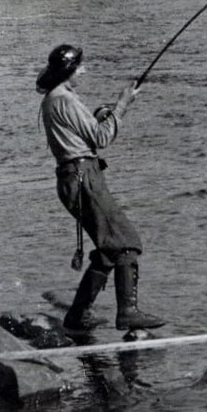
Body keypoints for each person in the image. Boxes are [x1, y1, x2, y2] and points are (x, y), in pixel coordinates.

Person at [37, 43, 166, 335]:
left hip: (75, 179)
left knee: (109, 250)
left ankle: (78, 316)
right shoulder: (65, 100)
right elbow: (101, 137)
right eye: (80, 66)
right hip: (84, 179)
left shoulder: (54, 98)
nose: (84, 69)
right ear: (69, 71)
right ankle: (128, 313)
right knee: (126, 242)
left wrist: (102, 115)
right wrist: (123, 104)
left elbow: (83, 135)